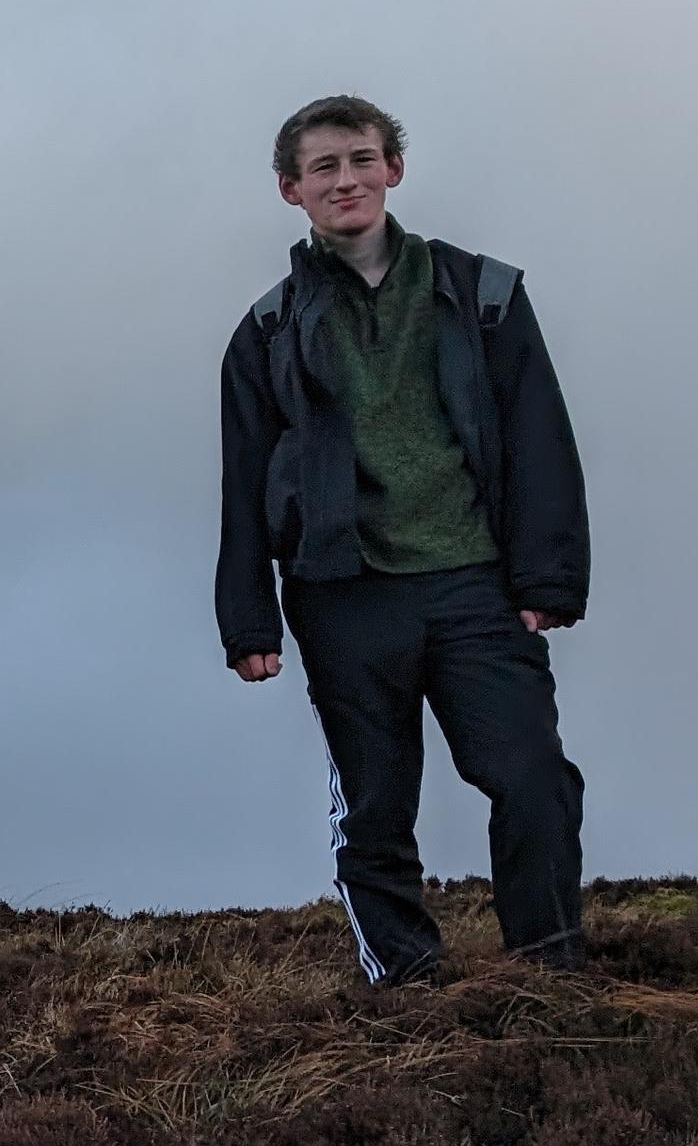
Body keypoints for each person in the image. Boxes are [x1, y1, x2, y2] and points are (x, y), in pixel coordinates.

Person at [219, 94, 590, 985]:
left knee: (534, 776)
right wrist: (250, 622)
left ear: (393, 168)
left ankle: (549, 971)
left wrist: (548, 578)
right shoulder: (265, 332)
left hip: (475, 586)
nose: (344, 179)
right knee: (376, 805)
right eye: (322, 168)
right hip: (344, 594)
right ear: (289, 190)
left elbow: (539, 434)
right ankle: (408, 986)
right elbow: (243, 481)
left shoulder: (483, 293)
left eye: (360, 158)